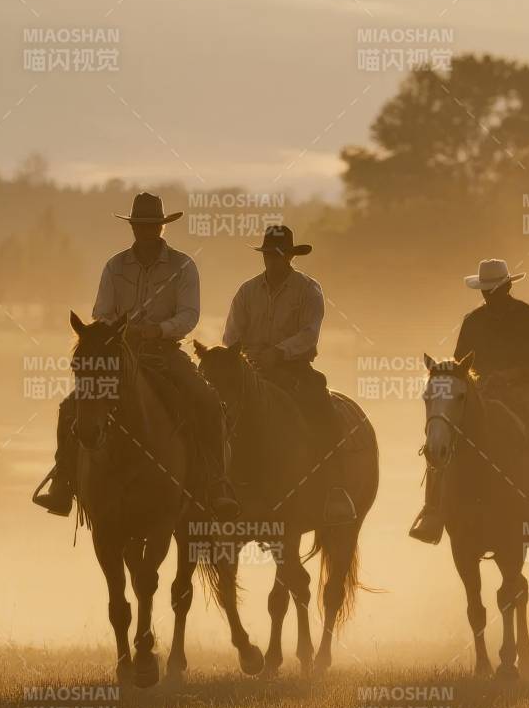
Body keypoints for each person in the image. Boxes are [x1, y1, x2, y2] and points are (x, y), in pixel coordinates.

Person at [32, 193, 235, 517]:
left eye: (151, 225)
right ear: (133, 227)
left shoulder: (183, 266)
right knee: (71, 406)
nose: (145, 231)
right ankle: (63, 481)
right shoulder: (115, 266)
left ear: (161, 227)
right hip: (119, 352)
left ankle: (217, 482)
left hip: (164, 350)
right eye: (140, 225)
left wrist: (156, 330)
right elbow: (102, 310)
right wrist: (120, 332)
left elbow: (189, 315)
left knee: (207, 401)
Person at [409, 258, 529, 544]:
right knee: (442, 441)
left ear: (507, 286)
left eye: (494, 289)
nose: (489, 295)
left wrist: (511, 375)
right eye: (486, 291)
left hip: (523, 392)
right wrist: (479, 380)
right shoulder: (472, 321)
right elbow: (460, 362)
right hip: (482, 393)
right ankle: (434, 510)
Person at [222, 225, 354, 526]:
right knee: (220, 407)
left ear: (290, 257)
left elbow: (309, 334)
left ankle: (335, 487)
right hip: (250, 370)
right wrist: (246, 355)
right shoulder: (247, 291)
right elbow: (231, 335)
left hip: (293, 368)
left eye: (278, 255)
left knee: (321, 407)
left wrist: (279, 352)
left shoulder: (308, 289)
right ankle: (217, 484)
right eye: (268, 254)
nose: (272, 260)